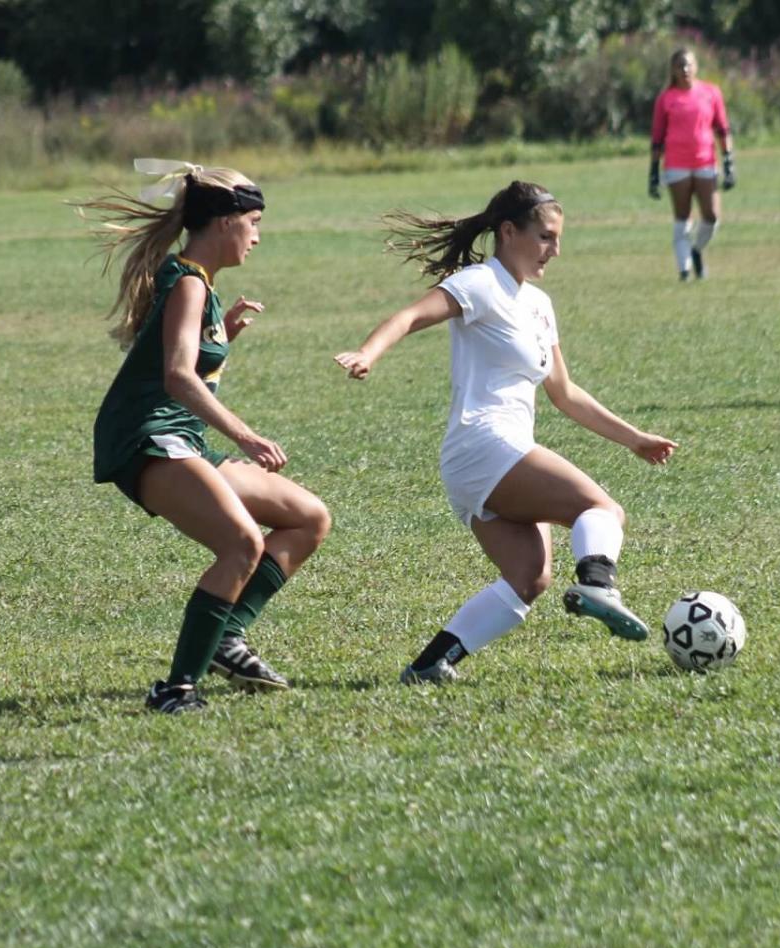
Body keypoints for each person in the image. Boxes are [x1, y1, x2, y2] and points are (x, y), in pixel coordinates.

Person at [333, 180, 677, 685]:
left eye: (557, 239)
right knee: (601, 510)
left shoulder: (539, 305)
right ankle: (598, 584)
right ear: (508, 231)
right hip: (484, 444)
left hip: (489, 457)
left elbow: (565, 393)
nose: (554, 250)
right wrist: (368, 353)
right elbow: (408, 317)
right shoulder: (479, 284)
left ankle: (431, 664)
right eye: (544, 237)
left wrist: (634, 438)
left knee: (529, 579)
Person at [83, 159, 331, 713]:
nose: (258, 236)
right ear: (225, 221)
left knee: (309, 518)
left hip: (181, 437)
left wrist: (228, 332)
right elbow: (175, 376)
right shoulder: (189, 282)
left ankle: (226, 637)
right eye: (256, 222)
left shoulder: (201, 286)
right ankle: (176, 690)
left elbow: (181, 363)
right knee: (242, 544)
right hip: (148, 438)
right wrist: (245, 436)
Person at [648, 47, 735, 282]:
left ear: (696, 66)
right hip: (677, 164)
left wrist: (728, 162)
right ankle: (684, 269)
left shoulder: (710, 92)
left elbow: (722, 128)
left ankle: (696, 249)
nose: (685, 70)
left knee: (711, 215)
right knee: (682, 216)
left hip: (705, 160)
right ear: (673, 71)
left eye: (688, 64)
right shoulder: (666, 99)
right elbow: (657, 137)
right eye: (679, 66)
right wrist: (653, 173)